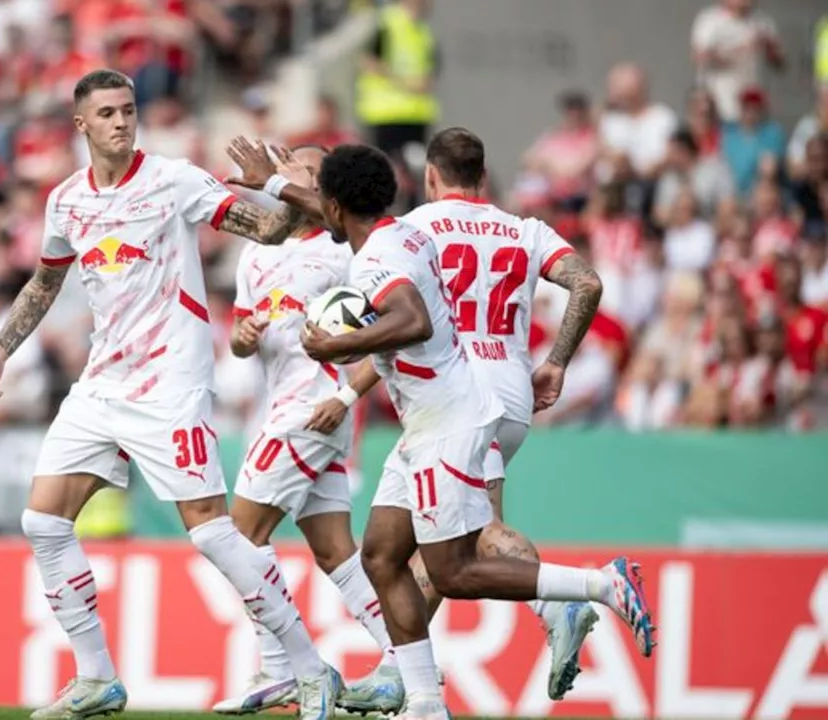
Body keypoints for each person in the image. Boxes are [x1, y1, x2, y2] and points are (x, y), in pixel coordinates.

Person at [226, 140, 656, 720]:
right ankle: (424, 702)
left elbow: (412, 319)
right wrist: (274, 185)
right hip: (450, 411)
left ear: (332, 207)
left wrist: (337, 342)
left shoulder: (381, 255)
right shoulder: (401, 233)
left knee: (454, 570)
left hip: (449, 420)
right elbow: (334, 206)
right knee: (380, 556)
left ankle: (602, 585)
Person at [0, 69, 343, 720]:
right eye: (107, 113)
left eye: (128, 109)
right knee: (43, 521)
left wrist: (276, 190)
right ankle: (96, 677)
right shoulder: (66, 202)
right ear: (81, 124)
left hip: (171, 382)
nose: (121, 121)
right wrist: (2, 350)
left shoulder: (174, 179)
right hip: (102, 380)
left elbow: (268, 231)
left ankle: (309, 668)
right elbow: (43, 284)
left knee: (211, 535)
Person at [389, 127, 607, 701]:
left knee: (478, 531)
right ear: (483, 177)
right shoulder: (524, 230)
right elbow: (586, 282)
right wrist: (556, 362)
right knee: (433, 544)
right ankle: (398, 673)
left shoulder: (414, 228)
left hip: (460, 396)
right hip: (510, 390)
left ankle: (557, 602)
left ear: (432, 177)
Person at [212, 144, 402, 716]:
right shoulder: (256, 258)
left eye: (304, 171)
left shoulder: (346, 254)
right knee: (336, 552)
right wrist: (242, 340)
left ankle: (288, 668)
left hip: (315, 411)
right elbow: (248, 337)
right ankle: (407, 659)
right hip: (279, 411)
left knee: (236, 536)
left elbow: (393, 335)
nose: (289, 174)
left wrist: (347, 396)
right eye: (291, 165)